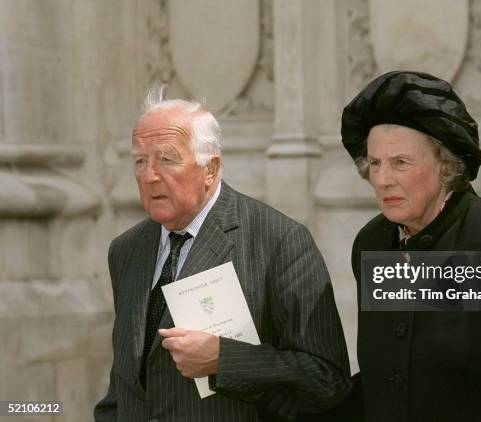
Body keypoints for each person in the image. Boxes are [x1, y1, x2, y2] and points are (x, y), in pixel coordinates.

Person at [94, 88, 351, 421]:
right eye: (140, 161)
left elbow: (327, 379)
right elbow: (127, 381)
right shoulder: (127, 249)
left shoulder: (278, 240)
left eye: (166, 159)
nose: (148, 175)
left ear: (211, 169)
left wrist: (224, 360)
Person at [340, 71, 481, 421]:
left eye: (400, 162)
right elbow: (387, 380)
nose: (383, 178)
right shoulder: (371, 243)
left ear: (446, 165)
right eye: (375, 163)